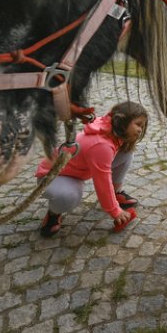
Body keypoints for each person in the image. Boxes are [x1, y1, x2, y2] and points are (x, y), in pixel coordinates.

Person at [38, 101, 147, 237]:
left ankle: (116, 193)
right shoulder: (102, 146)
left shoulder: (110, 128)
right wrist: (115, 211)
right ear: (122, 121)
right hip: (54, 176)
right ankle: (53, 214)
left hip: (79, 169)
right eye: (138, 124)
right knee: (68, 197)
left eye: (142, 126)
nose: (140, 130)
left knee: (126, 153)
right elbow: (102, 182)